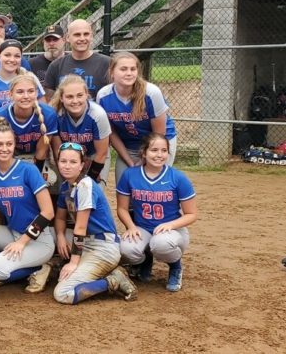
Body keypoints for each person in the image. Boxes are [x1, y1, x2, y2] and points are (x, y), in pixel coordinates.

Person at [0, 117, 56, 293]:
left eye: (9, 144)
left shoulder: (28, 170)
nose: (4, 149)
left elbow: (48, 212)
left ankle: (41, 268)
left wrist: (22, 242)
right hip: (12, 233)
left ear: (15, 144)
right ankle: (2, 259)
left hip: (38, 241)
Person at [52, 142, 138, 304]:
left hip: (103, 247)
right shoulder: (66, 186)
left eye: (73, 162)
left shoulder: (85, 185)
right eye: (63, 161)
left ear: (82, 165)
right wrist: (60, 236)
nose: (67, 166)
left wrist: (73, 262)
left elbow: (81, 227)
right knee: (50, 235)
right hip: (86, 243)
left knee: (62, 293)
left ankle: (113, 281)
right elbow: (60, 218)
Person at [117, 133, 197, 292]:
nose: (159, 155)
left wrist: (170, 224)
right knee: (125, 249)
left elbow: (192, 214)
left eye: (164, 150)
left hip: (173, 231)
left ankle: (176, 267)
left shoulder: (177, 177)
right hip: (143, 228)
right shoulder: (130, 174)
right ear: (144, 152)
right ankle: (145, 261)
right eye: (154, 150)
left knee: (161, 244)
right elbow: (122, 209)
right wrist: (131, 227)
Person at [96, 51, 177, 183]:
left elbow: (159, 133)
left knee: (152, 185)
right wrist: (128, 160)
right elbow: (111, 133)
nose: (129, 73)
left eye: (133, 69)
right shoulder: (103, 96)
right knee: (125, 184)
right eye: (123, 69)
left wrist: (143, 160)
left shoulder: (151, 92)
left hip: (158, 144)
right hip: (127, 146)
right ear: (112, 72)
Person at [0, 75, 58, 175]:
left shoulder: (48, 114)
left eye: (30, 91)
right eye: (20, 92)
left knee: (50, 178)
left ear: (37, 93)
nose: (26, 96)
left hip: (36, 156)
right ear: (10, 94)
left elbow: (41, 152)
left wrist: (35, 176)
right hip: (10, 156)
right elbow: (2, 150)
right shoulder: (0, 116)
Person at [50, 74, 111, 183]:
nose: (75, 101)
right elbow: (57, 150)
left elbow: (101, 153)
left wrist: (87, 181)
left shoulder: (97, 114)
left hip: (94, 156)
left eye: (79, 95)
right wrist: (67, 177)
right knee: (67, 192)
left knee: (91, 192)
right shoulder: (55, 114)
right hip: (68, 156)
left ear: (86, 95)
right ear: (61, 98)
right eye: (69, 96)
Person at [44, 19, 110, 101]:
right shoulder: (56, 66)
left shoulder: (107, 63)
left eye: (86, 34)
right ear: (67, 38)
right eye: (77, 35)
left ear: (91, 36)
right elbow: (50, 101)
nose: (82, 38)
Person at [0, 39, 45, 111]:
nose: (12, 59)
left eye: (17, 56)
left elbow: (43, 109)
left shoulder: (30, 78)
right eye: (7, 55)